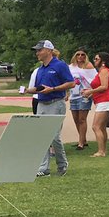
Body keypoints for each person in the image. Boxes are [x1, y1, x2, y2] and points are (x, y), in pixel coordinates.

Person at [32, 40, 74, 177]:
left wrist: (54, 89)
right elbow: (40, 88)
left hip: (56, 103)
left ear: (49, 50)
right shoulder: (41, 69)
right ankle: (43, 168)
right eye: (37, 50)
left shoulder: (59, 65)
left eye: (40, 50)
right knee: (41, 136)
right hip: (42, 103)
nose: (37, 53)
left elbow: (71, 83)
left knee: (54, 137)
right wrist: (28, 90)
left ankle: (62, 164)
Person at [83, 51, 109, 157]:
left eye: (97, 59)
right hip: (103, 101)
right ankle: (103, 150)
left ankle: (101, 151)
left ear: (103, 61)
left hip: (105, 101)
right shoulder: (101, 71)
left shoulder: (104, 71)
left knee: (96, 126)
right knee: (101, 127)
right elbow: (100, 88)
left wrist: (90, 91)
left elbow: (104, 87)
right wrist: (90, 94)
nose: (94, 61)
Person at [67, 48, 95, 150]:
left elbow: (95, 80)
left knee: (82, 119)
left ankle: (81, 143)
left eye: (82, 54)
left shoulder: (88, 66)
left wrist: (91, 91)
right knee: (75, 119)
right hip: (73, 95)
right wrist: (67, 93)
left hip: (84, 95)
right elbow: (68, 80)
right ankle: (83, 139)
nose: (80, 57)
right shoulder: (71, 67)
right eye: (78, 54)